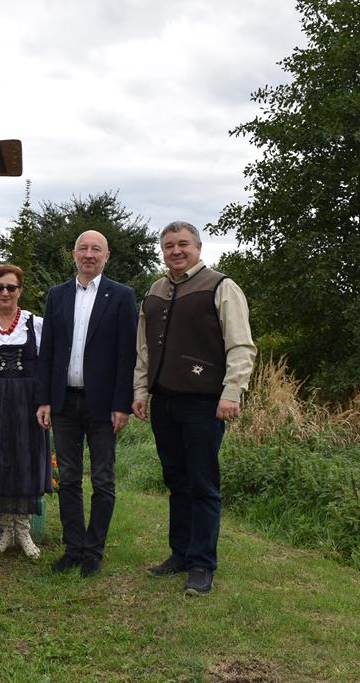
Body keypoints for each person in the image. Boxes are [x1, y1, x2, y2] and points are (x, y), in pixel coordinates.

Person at [131, 221, 256, 596]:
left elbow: (241, 346)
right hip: (165, 401)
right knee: (177, 481)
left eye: (183, 244)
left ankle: (202, 564)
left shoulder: (221, 287)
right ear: (163, 251)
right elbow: (144, 350)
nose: (176, 251)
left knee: (203, 484)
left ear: (198, 247)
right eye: (169, 245)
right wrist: (141, 390)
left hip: (204, 403)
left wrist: (232, 393)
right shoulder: (154, 292)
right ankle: (180, 553)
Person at [34, 230, 137, 578]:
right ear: (73, 255)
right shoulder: (57, 295)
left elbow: (127, 355)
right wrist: (44, 399)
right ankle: (74, 546)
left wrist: (122, 404)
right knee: (69, 477)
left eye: (96, 249)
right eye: (83, 248)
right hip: (64, 401)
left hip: (104, 404)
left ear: (107, 256)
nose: (89, 254)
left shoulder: (121, 296)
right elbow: (47, 351)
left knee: (104, 479)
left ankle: (95, 549)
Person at [0, 263, 51, 559]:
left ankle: (24, 528)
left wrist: (45, 402)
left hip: (28, 399)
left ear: (20, 290)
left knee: (25, 457)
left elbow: (46, 367)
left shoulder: (36, 324)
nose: (5, 292)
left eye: (11, 287)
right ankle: (6, 528)